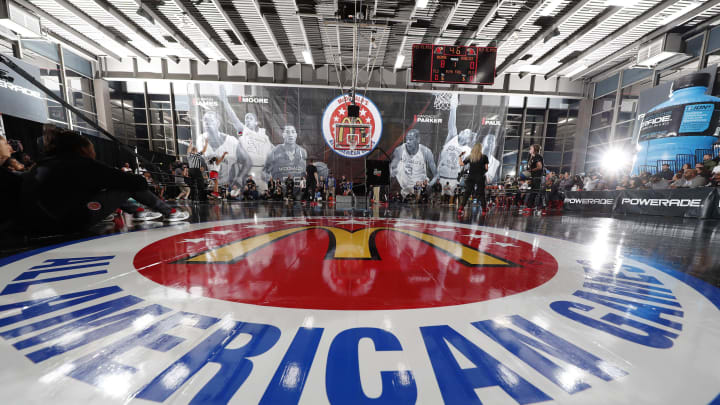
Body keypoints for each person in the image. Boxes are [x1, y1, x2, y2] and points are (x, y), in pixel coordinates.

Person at [19, 131, 188, 234]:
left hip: (35, 224)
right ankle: (170, 212)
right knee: (126, 185)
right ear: (83, 149)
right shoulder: (80, 163)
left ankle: (138, 211)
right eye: (91, 149)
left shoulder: (43, 164)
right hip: (68, 222)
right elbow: (135, 182)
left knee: (108, 185)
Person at [219, 86, 273, 190]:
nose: (247, 120)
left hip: (260, 171)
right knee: (242, 197)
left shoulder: (263, 135)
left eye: (250, 118)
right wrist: (225, 102)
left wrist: (268, 170)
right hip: (245, 170)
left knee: (262, 196)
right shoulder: (244, 130)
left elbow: (273, 152)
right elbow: (233, 118)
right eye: (246, 118)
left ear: (256, 122)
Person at [195, 109, 252, 188]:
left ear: (218, 123)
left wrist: (239, 178)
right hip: (210, 186)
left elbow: (247, 161)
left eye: (211, 120)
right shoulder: (200, 139)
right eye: (205, 120)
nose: (207, 123)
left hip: (229, 185)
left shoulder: (232, 141)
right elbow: (199, 163)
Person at [436, 93, 475, 194]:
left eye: (466, 132)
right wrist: (453, 107)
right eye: (463, 130)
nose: (462, 131)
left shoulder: (468, 151)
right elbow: (452, 122)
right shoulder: (452, 137)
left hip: (454, 180)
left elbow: (468, 167)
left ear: (468, 139)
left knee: (451, 203)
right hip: (440, 177)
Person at [390, 129, 437, 198]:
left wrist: (429, 185)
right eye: (407, 139)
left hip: (420, 190)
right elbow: (391, 169)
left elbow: (436, 175)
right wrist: (392, 171)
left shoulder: (426, 152)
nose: (408, 142)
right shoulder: (399, 150)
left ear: (418, 140)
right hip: (404, 190)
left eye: (411, 139)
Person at [457, 143, 489, 214]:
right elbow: (486, 168)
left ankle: (461, 208)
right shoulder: (484, 157)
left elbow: (461, 164)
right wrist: (482, 172)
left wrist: (460, 156)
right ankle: (484, 210)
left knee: (467, 192)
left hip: (471, 176)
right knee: (481, 193)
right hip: (480, 177)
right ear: (480, 149)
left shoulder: (470, 157)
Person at [522, 144, 544, 213]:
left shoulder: (537, 156)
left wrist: (531, 171)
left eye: (531, 149)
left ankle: (531, 206)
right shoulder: (532, 156)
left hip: (537, 177)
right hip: (534, 176)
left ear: (534, 150)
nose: (529, 150)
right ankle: (531, 206)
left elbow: (539, 167)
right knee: (533, 191)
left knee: (534, 192)